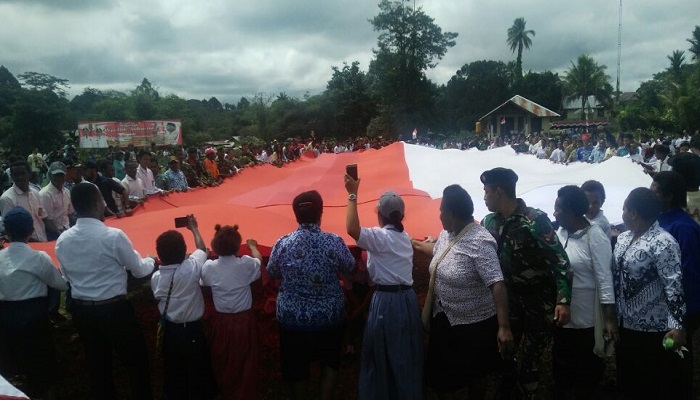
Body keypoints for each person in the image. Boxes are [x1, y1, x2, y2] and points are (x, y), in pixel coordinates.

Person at [411, 184, 513, 399]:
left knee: (475, 376)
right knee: (442, 378)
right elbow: (438, 252)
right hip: (445, 318)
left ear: (451, 213)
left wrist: (503, 327)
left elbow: (497, 283)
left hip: (475, 325)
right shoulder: (447, 234)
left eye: (441, 211)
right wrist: (413, 243)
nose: (438, 215)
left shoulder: (480, 242)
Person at [55, 182, 155, 400]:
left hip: (83, 313)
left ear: (74, 206)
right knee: (136, 362)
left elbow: (67, 278)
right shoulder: (113, 236)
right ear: (98, 202)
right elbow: (138, 271)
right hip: (114, 310)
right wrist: (150, 260)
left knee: (98, 366)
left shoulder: (63, 240)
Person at [479, 167, 572, 399]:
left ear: (499, 192)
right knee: (505, 354)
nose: (484, 197)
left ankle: (527, 392)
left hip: (537, 303)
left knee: (531, 358)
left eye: (486, 191)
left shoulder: (535, 220)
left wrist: (563, 300)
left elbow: (560, 261)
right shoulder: (488, 222)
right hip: (507, 303)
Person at [266, 190, 355, 400]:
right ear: (320, 213)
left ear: (295, 215)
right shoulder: (334, 241)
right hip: (330, 317)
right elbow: (350, 267)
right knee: (330, 362)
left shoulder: (282, 243)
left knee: (297, 370)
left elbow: (271, 272)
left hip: (292, 320)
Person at [344, 178, 423, 400]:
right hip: (407, 300)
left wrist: (352, 193)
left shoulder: (380, 237)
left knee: (381, 354)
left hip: (386, 302)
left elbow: (351, 228)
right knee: (405, 355)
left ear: (380, 214)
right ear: (401, 215)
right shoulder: (404, 238)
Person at [613, 187, 690, 399]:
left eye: (624, 209)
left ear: (634, 213)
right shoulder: (623, 238)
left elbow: (674, 285)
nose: (622, 213)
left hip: (653, 328)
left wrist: (677, 326)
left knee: (652, 381)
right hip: (624, 323)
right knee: (628, 378)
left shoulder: (663, 242)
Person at [551, 185, 617, 399]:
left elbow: (605, 279)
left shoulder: (594, 237)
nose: (554, 213)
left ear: (571, 212)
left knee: (586, 374)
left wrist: (609, 319)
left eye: (558, 209)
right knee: (562, 369)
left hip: (586, 320)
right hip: (562, 317)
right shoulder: (559, 233)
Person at [0, 207, 67, 400]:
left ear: (7, 231)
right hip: (34, 318)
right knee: (44, 365)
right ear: (31, 231)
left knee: (19, 362)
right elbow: (60, 285)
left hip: (7, 318)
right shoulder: (37, 258)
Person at [151, 215, 217, 400]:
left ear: (159, 255)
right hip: (193, 331)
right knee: (199, 371)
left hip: (171, 332)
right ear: (184, 252)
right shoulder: (191, 268)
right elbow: (202, 249)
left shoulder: (156, 278)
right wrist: (194, 228)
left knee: (174, 372)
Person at [202, 224, 263, 399]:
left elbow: (203, 282)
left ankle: (226, 392)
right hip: (244, 322)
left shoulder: (209, 267)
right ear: (237, 245)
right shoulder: (245, 263)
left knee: (223, 361)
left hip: (221, 323)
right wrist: (253, 247)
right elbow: (258, 261)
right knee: (246, 362)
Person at [651, 172, 700, 368]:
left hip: (681, 308)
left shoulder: (682, 227)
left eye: (653, 192)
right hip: (662, 305)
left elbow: (689, 274)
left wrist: (682, 317)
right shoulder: (660, 220)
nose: (649, 195)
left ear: (668, 196)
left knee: (677, 351)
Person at [0, 161, 47, 242]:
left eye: (23, 173)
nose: (20, 177)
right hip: (25, 245)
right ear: (11, 176)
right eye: (16, 174)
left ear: (29, 174)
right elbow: (8, 229)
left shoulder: (36, 193)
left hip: (43, 241)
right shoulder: (7, 198)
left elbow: (44, 218)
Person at [39, 161, 73, 240]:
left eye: (61, 175)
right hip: (53, 234)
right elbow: (47, 221)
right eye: (56, 175)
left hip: (67, 230)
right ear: (50, 175)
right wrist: (61, 235)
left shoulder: (66, 192)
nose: (59, 178)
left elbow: (70, 214)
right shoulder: (45, 194)